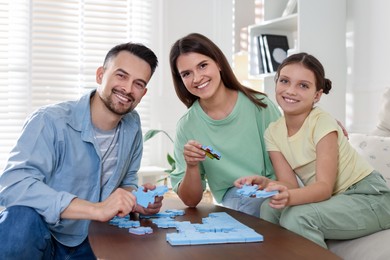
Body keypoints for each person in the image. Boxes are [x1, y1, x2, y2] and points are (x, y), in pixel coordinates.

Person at [0, 42, 163, 259]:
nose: (127, 88)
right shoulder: (49, 121)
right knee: (19, 216)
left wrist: (137, 201)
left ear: (143, 92)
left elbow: (127, 182)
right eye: (121, 76)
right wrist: (96, 209)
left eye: (138, 83)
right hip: (44, 235)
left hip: (92, 240)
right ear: (100, 75)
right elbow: (13, 185)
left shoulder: (132, 126)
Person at [234, 52, 390, 248]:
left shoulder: (322, 122)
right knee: (268, 208)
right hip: (339, 198)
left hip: (370, 198)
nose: (291, 90)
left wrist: (289, 197)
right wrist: (265, 183)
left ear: (317, 95)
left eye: (303, 85)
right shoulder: (273, 133)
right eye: (284, 81)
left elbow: (324, 188)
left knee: (297, 217)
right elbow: (289, 185)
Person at [168, 32, 281, 217]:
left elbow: (291, 153)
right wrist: (191, 166)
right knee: (257, 206)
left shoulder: (260, 106)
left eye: (203, 66)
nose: (197, 78)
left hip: (277, 185)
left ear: (218, 63)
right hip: (236, 195)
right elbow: (191, 200)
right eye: (186, 74)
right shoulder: (187, 126)